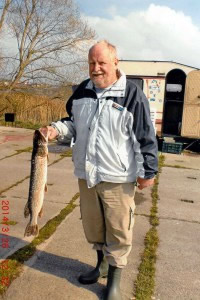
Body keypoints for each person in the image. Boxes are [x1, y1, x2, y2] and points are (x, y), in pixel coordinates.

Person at [41, 40, 158, 300]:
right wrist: (54, 130)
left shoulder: (131, 94)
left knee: (118, 229)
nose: (96, 68)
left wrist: (147, 171)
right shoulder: (83, 90)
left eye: (101, 62)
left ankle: (114, 282)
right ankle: (101, 265)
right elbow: (73, 124)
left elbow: (145, 136)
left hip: (118, 177)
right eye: (92, 63)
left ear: (115, 62)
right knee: (94, 226)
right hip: (87, 175)